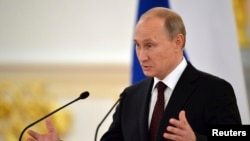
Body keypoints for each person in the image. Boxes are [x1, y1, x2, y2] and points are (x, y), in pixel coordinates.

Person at [26, 7, 242, 141]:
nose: (141, 55)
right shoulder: (131, 96)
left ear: (178, 42)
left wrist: (196, 139)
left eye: (149, 45)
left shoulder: (215, 90)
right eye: (137, 45)